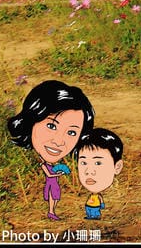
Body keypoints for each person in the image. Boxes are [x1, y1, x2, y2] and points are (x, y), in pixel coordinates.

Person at [7, 80, 95, 221]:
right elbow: (49, 174)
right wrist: (58, 173)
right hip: (50, 184)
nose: (59, 142)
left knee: (54, 198)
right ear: (32, 119)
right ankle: (51, 212)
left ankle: (52, 211)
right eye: (51, 126)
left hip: (52, 184)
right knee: (52, 197)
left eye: (72, 133)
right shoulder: (14, 166)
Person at [76, 128, 124, 220]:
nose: (89, 171)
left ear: (117, 167)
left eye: (98, 163)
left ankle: (95, 216)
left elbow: (101, 201)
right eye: (83, 163)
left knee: (94, 212)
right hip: (89, 206)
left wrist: (102, 205)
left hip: (95, 207)